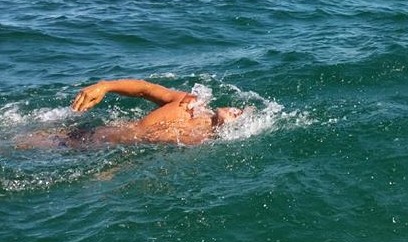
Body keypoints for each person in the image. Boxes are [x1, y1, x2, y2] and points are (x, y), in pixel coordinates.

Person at [19, 79, 244, 148]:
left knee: (18, 146)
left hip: (89, 150)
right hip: (86, 134)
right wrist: (105, 86)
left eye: (238, 115)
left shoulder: (196, 139)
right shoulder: (187, 103)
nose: (235, 110)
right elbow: (145, 89)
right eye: (237, 109)